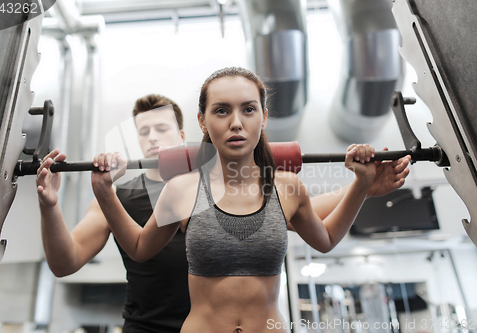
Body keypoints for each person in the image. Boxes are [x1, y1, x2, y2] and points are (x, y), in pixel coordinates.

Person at [90, 67, 411, 333]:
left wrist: (362, 183)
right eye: (221, 110)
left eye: (248, 109)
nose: (236, 122)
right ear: (202, 121)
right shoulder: (184, 190)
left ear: (264, 116)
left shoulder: (287, 187)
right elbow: (138, 248)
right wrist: (105, 192)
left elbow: (325, 239)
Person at [36, 94, 190, 333]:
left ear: (181, 136)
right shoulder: (116, 197)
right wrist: (50, 206)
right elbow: (64, 263)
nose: (152, 137)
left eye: (161, 128)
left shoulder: (209, 190)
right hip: (145, 328)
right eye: (144, 131)